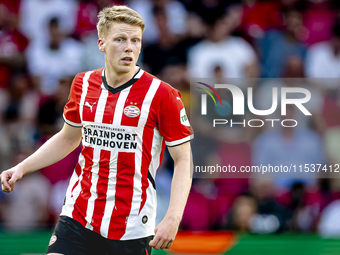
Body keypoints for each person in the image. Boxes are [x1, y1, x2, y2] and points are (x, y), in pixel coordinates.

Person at [1, 5, 193, 255]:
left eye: (136, 40)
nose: (129, 47)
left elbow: (184, 159)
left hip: (130, 226)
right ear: (101, 43)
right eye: (120, 39)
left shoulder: (162, 95)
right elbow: (68, 138)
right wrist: (22, 168)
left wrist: (173, 218)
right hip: (79, 215)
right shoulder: (83, 83)